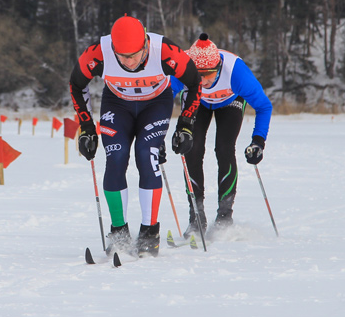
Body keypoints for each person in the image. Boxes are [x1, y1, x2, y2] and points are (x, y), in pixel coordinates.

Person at [69, 15, 202, 257]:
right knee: (116, 157)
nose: (129, 62)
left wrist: (185, 124)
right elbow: (76, 85)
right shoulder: (98, 53)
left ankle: (149, 232)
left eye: (134, 55)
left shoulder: (165, 51)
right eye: (122, 57)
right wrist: (87, 127)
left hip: (155, 105)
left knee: (146, 154)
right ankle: (119, 232)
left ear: (145, 46)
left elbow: (194, 83)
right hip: (117, 105)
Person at [170, 33, 272, 238]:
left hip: (230, 102)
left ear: (217, 69)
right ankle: (196, 218)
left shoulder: (236, 73)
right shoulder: (182, 68)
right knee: (192, 148)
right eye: (196, 76)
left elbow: (264, 106)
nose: (201, 81)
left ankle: (224, 216)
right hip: (198, 103)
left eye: (206, 75)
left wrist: (258, 141)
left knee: (224, 148)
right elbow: (163, 100)